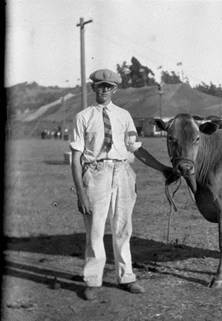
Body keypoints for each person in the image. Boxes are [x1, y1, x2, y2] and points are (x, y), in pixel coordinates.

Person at [70, 69, 176, 301]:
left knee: (123, 228)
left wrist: (163, 169)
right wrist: (81, 193)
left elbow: (136, 148)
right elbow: (76, 158)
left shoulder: (124, 116)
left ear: (115, 89)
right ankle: (93, 280)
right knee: (95, 230)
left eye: (109, 86)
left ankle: (126, 277)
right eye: (100, 85)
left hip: (123, 173)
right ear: (93, 88)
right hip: (96, 173)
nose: (105, 89)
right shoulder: (83, 117)